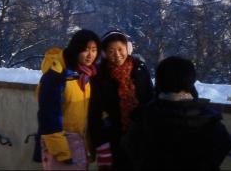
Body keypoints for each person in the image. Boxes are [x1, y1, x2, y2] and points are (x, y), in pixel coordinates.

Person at [122, 56, 231, 171]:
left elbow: (131, 147)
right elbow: (225, 144)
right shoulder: (208, 119)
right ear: (190, 81)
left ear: (160, 82)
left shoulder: (144, 117)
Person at [33, 29, 101, 170]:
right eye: (85, 50)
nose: (90, 55)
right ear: (76, 49)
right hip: (63, 147)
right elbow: (48, 116)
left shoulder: (86, 76)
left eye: (94, 50)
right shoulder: (56, 76)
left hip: (80, 145)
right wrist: (62, 152)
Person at [88, 30, 153, 170]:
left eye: (120, 49)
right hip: (113, 139)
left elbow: (150, 99)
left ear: (128, 48)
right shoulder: (98, 76)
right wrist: (100, 143)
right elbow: (94, 112)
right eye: (111, 51)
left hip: (140, 137)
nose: (117, 55)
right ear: (104, 53)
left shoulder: (140, 70)